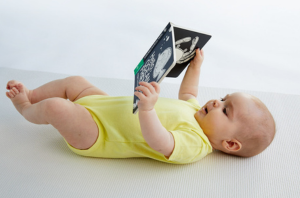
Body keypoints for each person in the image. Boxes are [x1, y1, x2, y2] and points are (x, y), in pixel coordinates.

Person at [5, 49, 276, 164]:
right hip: (103, 104)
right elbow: (189, 91)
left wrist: (147, 110)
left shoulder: (196, 144)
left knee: (58, 108)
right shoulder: (195, 111)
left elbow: (159, 142)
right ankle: (33, 93)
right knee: (76, 82)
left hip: (99, 133)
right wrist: (195, 66)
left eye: (226, 110)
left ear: (229, 144)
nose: (218, 102)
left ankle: (27, 109)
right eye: (225, 97)